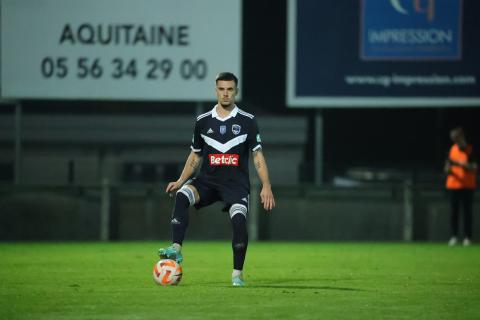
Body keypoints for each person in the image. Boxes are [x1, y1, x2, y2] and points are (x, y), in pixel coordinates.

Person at [158, 72, 275, 286]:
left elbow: (258, 156)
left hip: (235, 186)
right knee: (183, 196)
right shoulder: (202, 122)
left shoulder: (247, 121)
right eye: (221, 89)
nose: (225, 93)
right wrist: (181, 180)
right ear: (216, 91)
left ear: (236, 92)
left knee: (239, 222)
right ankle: (176, 249)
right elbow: (195, 156)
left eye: (230, 89)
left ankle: (237, 274)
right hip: (207, 182)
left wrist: (266, 185)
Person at [444, 127, 477, 246]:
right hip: (454, 185)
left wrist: (460, 165)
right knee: (454, 212)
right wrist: (448, 169)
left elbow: (474, 167)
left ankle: (468, 237)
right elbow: (447, 167)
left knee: (467, 212)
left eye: (456, 138)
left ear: (461, 137)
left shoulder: (470, 149)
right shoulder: (452, 149)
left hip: (467, 185)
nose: (455, 141)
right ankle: (454, 236)